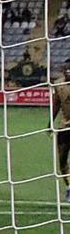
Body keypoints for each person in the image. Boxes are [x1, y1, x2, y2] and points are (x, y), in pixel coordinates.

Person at [51, 60, 70, 204]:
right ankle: (69, 186)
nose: (68, 71)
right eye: (66, 69)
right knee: (62, 161)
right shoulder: (58, 84)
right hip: (63, 128)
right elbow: (56, 103)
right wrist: (50, 122)